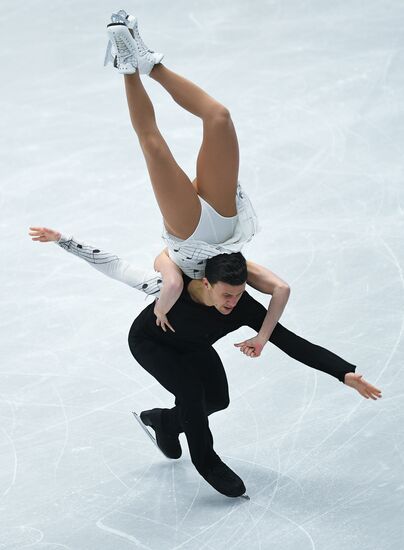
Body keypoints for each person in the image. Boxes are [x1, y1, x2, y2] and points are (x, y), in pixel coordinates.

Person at [28, 226, 382, 498]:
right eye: (226, 294)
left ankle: (164, 423)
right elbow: (115, 265)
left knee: (217, 400)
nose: (232, 302)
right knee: (191, 392)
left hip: (194, 347)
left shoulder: (242, 306)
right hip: (152, 343)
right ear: (206, 283)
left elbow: (291, 342)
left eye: (239, 294)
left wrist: (343, 372)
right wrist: (63, 239)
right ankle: (207, 462)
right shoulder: (171, 286)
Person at [105, 10, 290, 359]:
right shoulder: (243, 275)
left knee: (154, 148)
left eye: (227, 300)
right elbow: (281, 289)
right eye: (231, 298)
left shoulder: (192, 284)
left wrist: (161, 308)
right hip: (225, 219)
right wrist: (263, 337)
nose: (232, 302)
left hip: (188, 234)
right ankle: (151, 65)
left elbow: (172, 283)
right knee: (219, 118)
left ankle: (127, 66)